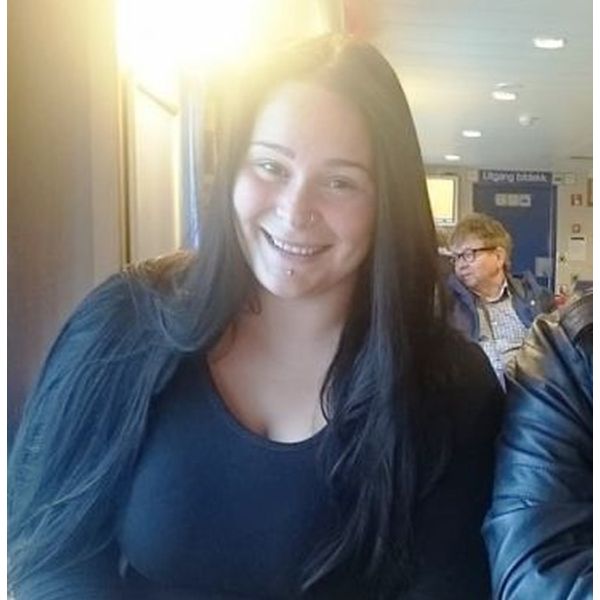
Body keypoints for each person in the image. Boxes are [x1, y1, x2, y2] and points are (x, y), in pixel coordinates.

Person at [8, 34, 504, 599]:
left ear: (386, 203)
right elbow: (52, 556)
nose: (295, 210)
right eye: (270, 166)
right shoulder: (124, 325)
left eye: (339, 182)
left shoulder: (450, 387)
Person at [483, 292, 592, 599]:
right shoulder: (572, 348)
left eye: (472, 259)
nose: (463, 267)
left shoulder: (526, 297)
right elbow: (532, 575)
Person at [447, 212, 554, 383]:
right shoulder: (447, 305)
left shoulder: (537, 299)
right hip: (474, 395)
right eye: (456, 258)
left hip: (530, 395)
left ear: (499, 257)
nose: (461, 265)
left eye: (468, 254)